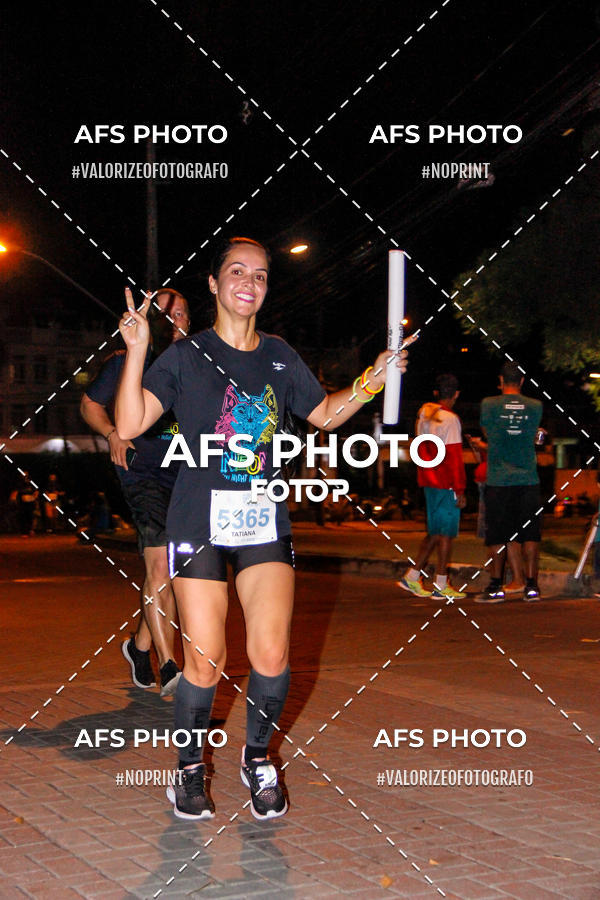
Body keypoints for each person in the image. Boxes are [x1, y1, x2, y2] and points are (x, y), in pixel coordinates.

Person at [114, 236, 407, 821]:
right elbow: (129, 422)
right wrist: (139, 349)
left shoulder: (278, 354)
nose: (250, 283)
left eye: (262, 275)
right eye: (237, 272)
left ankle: (257, 759)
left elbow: (323, 415)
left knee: (271, 651)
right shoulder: (187, 355)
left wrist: (375, 377)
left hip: (261, 515)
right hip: (197, 518)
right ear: (215, 284)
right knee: (205, 660)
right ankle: (190, 771)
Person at [80, 289, 190, 696]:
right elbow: (90, 405)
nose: (173, 319)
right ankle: (171, 667)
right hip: (142, 475)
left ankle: (139, 646)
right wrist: (112, 434)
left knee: (172, 574)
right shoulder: (127, 362)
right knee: (161, 567)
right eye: (165, 313)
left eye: (180, 313)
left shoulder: (196, 365)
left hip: (187, 478)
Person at [476, 360, 543, 603]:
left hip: (498, 478)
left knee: (496, 535)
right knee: (530, 534)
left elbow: (487, 433)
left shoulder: (489, 404)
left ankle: (495, 586)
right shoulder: (535, 406)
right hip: (528, 478)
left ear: (501, 381)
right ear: (523, 381)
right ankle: (532, 586)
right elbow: (536, 435)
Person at [399, 373, 467, 600]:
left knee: (436, 532)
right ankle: (440, 583)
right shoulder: (450, 419)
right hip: (445, 481)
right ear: (456, 394)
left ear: (436, 393)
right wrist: (460, 488)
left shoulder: (424, 415)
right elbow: (455, 456)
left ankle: (412, 576)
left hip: (428, 479)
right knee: (445, 534)